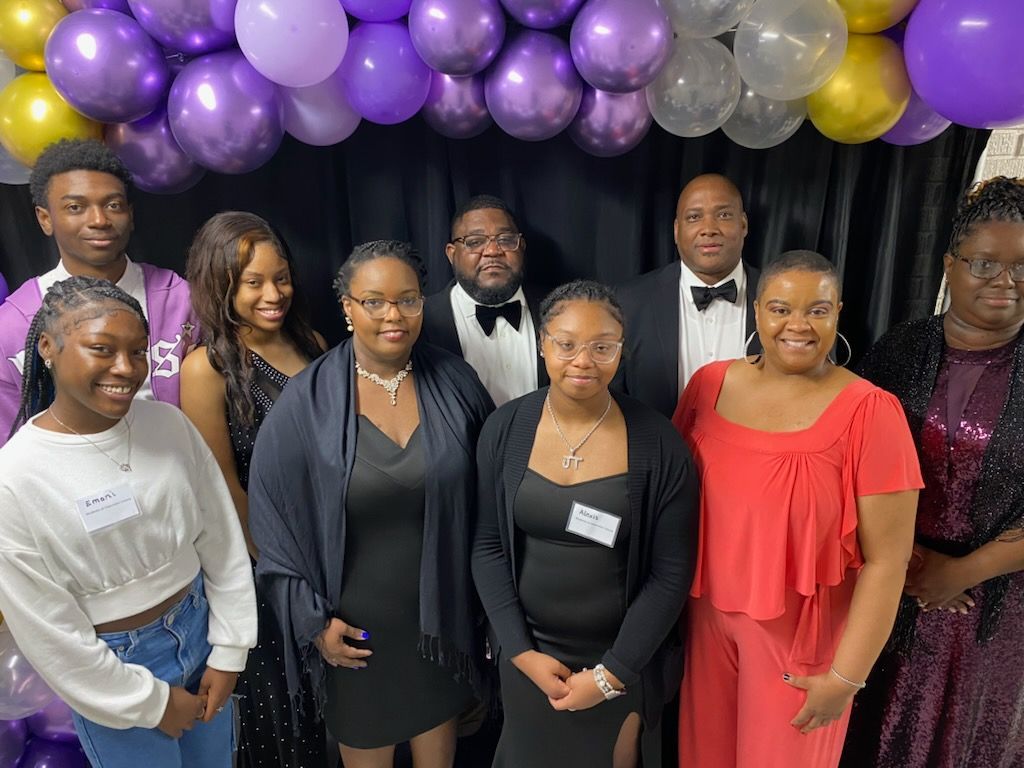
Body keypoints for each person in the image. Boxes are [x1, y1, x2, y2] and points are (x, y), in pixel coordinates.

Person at [248, 240, 494, 768]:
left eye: (407, 299)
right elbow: (272, 520)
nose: (393, 315)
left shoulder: (457, 383)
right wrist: (313, 623)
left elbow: (490, 502)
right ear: (348, 307)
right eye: (374, 301)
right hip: (356, 638)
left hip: (440, 627)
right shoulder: (307, 401)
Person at [673, 251, 922, 768]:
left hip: (803, 647)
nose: (798, 326)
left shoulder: (871, 411)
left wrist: (847, 678)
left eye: (818, 310)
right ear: (758, 309)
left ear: (838, 313)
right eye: (782, 308)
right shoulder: (708, 384)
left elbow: (888, 561)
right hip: (704, 626)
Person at [0, 276, 257, 768]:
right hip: (112, 668)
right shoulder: (15, 478)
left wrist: (229, 650)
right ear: (48, 347)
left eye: (138, 351)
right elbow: (49, 631)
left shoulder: (167, 423)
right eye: (102, 348)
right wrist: (152, 704)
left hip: (202, 636)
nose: (126, 368)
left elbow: (220, 541)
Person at [472, 280, 699, 768]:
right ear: (542, 344)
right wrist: (520, 651)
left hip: (621, 662)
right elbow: (488, 546)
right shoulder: (505, 428)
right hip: (528, 655)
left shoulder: (660, 444)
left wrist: (611, 676)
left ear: (621, 349)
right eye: (566, 343)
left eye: (602, 347)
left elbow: (671, 572)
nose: (583, 361)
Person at [842, 177, 1024, 768]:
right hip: (894, 591)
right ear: (949, 265)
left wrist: (962, 571)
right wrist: (910, 559)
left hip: (996, 611)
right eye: (985, 263)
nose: (1007, 281)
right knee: (877, 732)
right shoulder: (898, 349)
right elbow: (848, 459)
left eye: (1023, 266)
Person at [179, 212, 327, 768]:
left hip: (331, 551)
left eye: (281, 277)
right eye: (254, 282)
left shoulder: (312, 342)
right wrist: (283, 570)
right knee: (281, 714)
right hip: (262, 568)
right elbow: (223, 492)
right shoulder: (206, 369)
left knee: (335, 704)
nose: (274, 294)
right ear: (221, 285)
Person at [0, 139, 197, 444]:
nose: (99, 220)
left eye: (113, 205)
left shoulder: (182, 300)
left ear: (130, 214)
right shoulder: (13, 326)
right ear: (45, 218)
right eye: (75, 207)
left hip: (177, 469)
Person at [616, 173, 760, 418]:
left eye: (723, 215)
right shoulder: (628, 302)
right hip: (658, 453)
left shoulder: (779, 298)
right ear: (676, 230)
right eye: (694, 217)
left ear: (743, 224)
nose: (709, 229)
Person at [420, 194, 548, 405]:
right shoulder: (422, 321)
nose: (492, 251)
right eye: (475, 242)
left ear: (521, 246)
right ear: (452, 254)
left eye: (505, 240)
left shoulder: (559, 310)